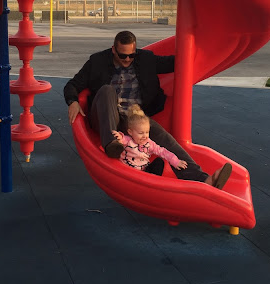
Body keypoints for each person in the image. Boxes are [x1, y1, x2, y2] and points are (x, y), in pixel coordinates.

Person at [64, 30, 232, 188]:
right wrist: (73, 101)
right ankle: (112, 144)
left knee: (164, 138)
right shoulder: (97, 61)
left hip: (132, 117)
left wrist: (198, 49)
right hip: (106, 116)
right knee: (107, 90)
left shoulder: (145, 59)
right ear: (113, 50)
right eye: (123, 55)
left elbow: (174, 63)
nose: (127, 59)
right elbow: (73, 84)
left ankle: (203, 180)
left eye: (131, 55)